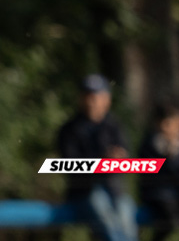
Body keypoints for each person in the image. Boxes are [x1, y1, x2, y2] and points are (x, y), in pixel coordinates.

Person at [58, 75, 137, 241]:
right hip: (84, 193)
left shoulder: (114, 126)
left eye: (96, 96)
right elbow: (69, 166)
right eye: (87, 96)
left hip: (114, 191)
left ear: (107, 99)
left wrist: (118, 159)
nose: (91, 101)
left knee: (126, 219)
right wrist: (101, 162)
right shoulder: (69, 130)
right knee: (106, 216)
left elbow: (125, 159)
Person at [140, 102, 179, 241]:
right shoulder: (150, 145)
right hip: (158, 197)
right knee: (171, 221)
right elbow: (152, 175)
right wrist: (172, 159)